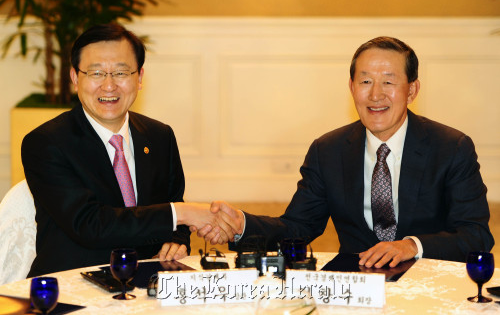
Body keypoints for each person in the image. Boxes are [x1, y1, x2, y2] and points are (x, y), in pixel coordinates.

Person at [197, 36, 494, 268]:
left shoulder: (451, 147)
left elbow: (475, 235)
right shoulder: (328, 150)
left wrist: (412, 245)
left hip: (426, 278)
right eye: (365, 81)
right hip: (355, 280)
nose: (375, 94)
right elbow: (299, 226)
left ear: (412, 91)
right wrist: (241, 224)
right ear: (351, 87)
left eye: (389, 82)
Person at [22, 24, 239, 277]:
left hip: (147, 281)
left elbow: (172, 204)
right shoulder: (46, 143)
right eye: (96, 73)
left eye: (121, 73)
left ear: (139, 78)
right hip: (73, 284)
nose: (109, 85)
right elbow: (91, 225)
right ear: (74, 78)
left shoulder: (159, 136)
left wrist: (176, 242)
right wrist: (184, 213)